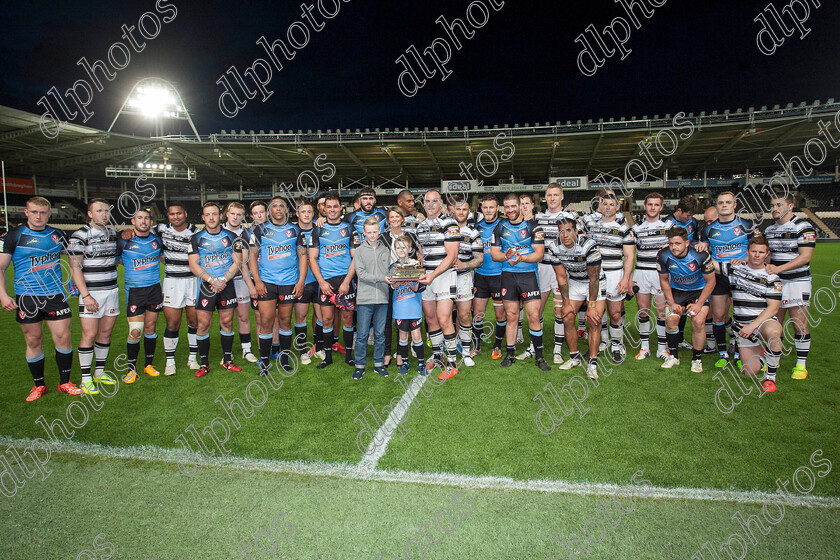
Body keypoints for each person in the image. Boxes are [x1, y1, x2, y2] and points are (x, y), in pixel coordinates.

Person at [0, 196, 81, 400]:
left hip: (55, 295)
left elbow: (73, 260)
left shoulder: (58, 234)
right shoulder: (14, 236)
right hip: (27, 297)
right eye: (34, 212)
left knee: (63, 338)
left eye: (43, 212)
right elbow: (0, 268)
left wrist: (73, 281)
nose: (38, 216)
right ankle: (39, 385)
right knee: (33, 339)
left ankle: (65, 382)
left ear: (49, 214)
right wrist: (3, 295)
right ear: (26, 212)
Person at [122, 202, 200, 375]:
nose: (176, 217)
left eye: (179, 213)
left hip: (192, 281)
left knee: (194, 322)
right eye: (172, 214)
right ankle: (170, 362)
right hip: (172, 281)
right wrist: (126, 231)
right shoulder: (160, 230)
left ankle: (193, 358)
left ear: (185, 213)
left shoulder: (195, 232)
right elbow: (139, 230)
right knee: (172, 323)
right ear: (168, 216)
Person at [519, 183, 579, 363]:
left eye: (555, 195)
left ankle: (558, 350)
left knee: (560, 310)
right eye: (549, 195)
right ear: (546, 197)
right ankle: (533, 347)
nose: (552, 198)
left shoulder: (571, 217)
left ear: (562, 197)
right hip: (542, 267)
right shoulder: (538, 217)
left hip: (562, 268)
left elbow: (578, 240)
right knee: (535, 310)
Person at [490, 193, 550, 371]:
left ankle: (539, 357)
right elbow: (495, 254)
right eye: (506, 207)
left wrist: (520, 258)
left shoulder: (533, 227)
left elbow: (539, 254)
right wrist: (507, 257)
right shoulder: (499, 228)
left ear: (520, 206)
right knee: (512, 316)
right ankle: (510, 354)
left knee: (533, 316)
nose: (510, 210)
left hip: (528, 276)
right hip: (508, 276)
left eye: (513, 206)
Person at [249, 197, 307, 376]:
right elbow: (252, 256)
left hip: (289, 282)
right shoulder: (259, 230)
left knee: (285, 320)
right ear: (269, 211)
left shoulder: (295, 230)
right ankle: (265, 362)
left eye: (282, 205)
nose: (278, 208)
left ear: (287, 210)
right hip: (267, 282)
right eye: (274, 206)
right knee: (266, 321)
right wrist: (257, 281)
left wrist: (301, 281)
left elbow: (303, 257)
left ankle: (284, 358)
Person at [717, 236, 783, 392]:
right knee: (749, 372)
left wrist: (752, 326)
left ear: (767, 254)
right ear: (747, 252)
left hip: (762, 322)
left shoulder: (773, 277)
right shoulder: (735, 269)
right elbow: (709, 264)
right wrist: (699, 249)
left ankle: (770, 378)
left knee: (774, 334)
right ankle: (766, 356)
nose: (757, 255)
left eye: (761, 252)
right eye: (753, 251)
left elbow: (773, 308)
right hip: (743, 326)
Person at [68, 199, 120, 395]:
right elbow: (75, 267)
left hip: (112, 290)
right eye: (99, 211)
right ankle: (86, 378)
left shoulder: (112, 233)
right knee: (89, 335)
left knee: (105, 334)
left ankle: (99, 372)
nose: (104, 214)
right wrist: (86, 295)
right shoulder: (80, 236)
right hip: (92, 294)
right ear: (90, 214)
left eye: (106, 210)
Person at [188, 202, 246, 377]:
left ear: (221, 216)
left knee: (227, 323)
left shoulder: (231, 236)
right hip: (207, 285)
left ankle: (227, 360)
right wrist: (212, 279)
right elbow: (193, 264)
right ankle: (204, 364)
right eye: (207, 215)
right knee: (203, 324)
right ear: (203, 217)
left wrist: (223, 279)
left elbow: (237, 262)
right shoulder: (196, 238)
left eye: (214, 214)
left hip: (226, 283)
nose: (211, 218)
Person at [697, 191, 754, 368]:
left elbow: (757, 250)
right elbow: (704, 251)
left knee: (740, 315)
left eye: (728, 202)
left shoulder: (747, 224)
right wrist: (702, 249)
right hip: (719, 276)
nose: (724, 205)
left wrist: (744, 260)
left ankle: (737, 352)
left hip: (742, 275)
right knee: (718, 315)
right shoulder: (708, 229)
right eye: (721, 202)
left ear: (734, 205)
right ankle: (723, 354)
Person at [763, 191, 816, 380]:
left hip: (797, 281)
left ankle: (801, 365)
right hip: (776, 283)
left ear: (790, 206)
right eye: (772, 206)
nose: (774, 209)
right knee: (774, 323)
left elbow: (805, 257)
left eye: (778, 205)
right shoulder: (769, 230)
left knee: (799, 323)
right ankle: (773, 360)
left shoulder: (804, 227)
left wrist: (779, 268)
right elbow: (767, 256)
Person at [580, 193, 635, 363]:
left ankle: (617, 344)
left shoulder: (625, 229)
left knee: (615, 312)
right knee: (596, 312)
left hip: (614, 274)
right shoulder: (590, 225)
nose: (608, 207)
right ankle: (603, 340)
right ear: (599, 205)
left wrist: (626, 278)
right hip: (595, 275)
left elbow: (629, 256)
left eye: (612, 205)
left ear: (617, 208)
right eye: (605, 204)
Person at [550, 218, 606, 380]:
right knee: (566, 316)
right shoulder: (554, 247)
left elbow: (594, 278)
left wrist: (592, 306)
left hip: (594, 283)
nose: (565, 235)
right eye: (561, 231)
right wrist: (566, 302)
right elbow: (561, 277)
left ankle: (593, 363)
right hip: (575, 280)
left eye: (568, 230)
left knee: (594, 320)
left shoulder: (590, 246)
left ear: (576, 231)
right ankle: (574, 357)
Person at [656, 227, 716, 371]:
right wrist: (671, 302)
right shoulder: (663, 255)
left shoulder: (700, 255)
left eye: (677, 243)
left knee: (698, 321)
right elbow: (664, 280)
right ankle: (674, 356)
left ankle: (697, 359)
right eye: (671, 244)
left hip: (698, 292)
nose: (673, 247)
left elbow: (711, 282)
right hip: (678, 292)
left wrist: (699, 304)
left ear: (687, 243)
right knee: (670, 320)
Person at [416, 189, 461, 379]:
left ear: (441, 203)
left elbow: (452, 256)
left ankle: (452, 363)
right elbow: (421, 253)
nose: (431, 204)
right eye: (427, 201)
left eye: (435, 201)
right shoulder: (421, 226)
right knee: (431, 319)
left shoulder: (450, 223)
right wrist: (417, 269)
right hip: (427, 277)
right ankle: (437, 356)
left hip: (443, 276)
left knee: (444, 319)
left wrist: (433, 275)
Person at [309, 193, 356, 369]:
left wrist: (346, 282)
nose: (333, 210)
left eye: (336, 206)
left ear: (341, 208)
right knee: (327, 319)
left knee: (348, 319)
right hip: (326, 282)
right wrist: (321, 282)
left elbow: (355, 257)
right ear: (324, 209)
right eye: (329, 207)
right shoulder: (318, 229)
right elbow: (312, 258)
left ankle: (349, 356)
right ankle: (327, 356)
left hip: (345, 280)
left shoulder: (350, 229)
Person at [116, 209, 164, 383]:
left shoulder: (157, 240)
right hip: (135, 291)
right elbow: (113, 262)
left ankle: (148, 365)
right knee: (135, 331)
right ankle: (131, 369)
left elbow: (164, 258)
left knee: (150, 329)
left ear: (151, 222)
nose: (143, 221)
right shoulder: (123, 241)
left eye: (146, 218)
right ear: (133, 220)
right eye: (140, 218)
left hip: (154, 289)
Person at [631, 193, 671, 361]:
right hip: (641, 271)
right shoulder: (636, 228)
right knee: (643, 310)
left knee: (662, 311)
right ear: (645, 206)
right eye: (650, 205)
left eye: (656, 205)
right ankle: (644, 347)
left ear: (661, 207)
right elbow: (630, 252)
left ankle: (662, 349)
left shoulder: (669, 225)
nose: (653, 208)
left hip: (660, 273)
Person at [351, 217, 391, 380]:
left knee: (380, 334)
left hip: (382, 297)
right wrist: (383, 278)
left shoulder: (386, 250)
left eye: (375, 232)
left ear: (379, 231)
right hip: (365, 299)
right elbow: (361, 274)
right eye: (369, 232)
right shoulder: (359, 251)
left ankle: (379, 364)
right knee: (362, 334)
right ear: (364, 233)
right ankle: (359, 366)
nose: (372, 235)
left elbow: (390, 271)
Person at [223, 202, 258, 363]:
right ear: (227, 214)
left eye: (239, 215)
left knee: (243, 316)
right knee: (226, 318)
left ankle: (246, 350)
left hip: (241, 279)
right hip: (223, 281)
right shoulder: (218, 232)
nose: (235, 217)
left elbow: (247, 260)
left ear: (243, 217)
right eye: (233, 214)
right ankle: (227, 352)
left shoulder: (247, 234)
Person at [472, 195, 506, 359]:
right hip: (481, 276)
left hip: (499, 276)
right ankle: (476, 346)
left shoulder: (504, 226)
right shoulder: (477, 227)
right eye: (485, 207)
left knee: (500, 314)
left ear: (497, 208)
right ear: (481, 208)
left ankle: (497, 346)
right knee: (478, 313)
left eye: (491, 207)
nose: (488, 210)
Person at [665, 194, 701, 351]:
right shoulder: (667, 222)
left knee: (686, 306)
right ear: (680, 210)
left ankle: (679, 339)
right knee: (672, 305)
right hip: (672, 268)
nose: (690, 217)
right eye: (687, 214)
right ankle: (668, 339)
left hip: (690, 267)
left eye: (691, 215)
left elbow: (694, 242)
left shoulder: (693, 222)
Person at [387, 235, 426, 376]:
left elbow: (418, 288)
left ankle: (421, 363)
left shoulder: (416, 265)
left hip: (414, 308)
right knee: (403, 337)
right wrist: (395, 283)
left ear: (410, 249)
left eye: (404, 247)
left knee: (416, 336)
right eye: (398, 247)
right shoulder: (393, 267)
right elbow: (391, 288)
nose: (401, 250)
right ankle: (404, 362)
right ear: (395, 250)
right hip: (400, 308)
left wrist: (410, 280)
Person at [381, 207, 416, 366]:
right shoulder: (383, 238)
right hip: (388, 283)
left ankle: (401, 354)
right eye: (391, 217)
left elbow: (416, 259)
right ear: (388, 221)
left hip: (406, 285)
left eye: (397, 216)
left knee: (402, 320)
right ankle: (387, 352)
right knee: (387, 319)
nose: (394, 219)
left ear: (402, 219)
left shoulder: (410, 237)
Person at [451, 200, 483, 367]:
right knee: (443, 316)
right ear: (452, 210)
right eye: (458, 209)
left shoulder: (473, 232)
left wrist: (464, 264)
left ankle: (465, 351)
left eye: (464, 210)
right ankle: (445, 349)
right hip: (444, 277)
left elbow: (479, 259)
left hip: (463, 277)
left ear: (469, 212)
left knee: (463, 315)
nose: (461, 212)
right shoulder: (445, 228)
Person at [294, 199, 324, 366]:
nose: (306, 214)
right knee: (301, 316)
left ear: (313, 214)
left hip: (318, 280)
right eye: (302, 212)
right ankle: (302, 351)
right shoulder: (292, 231)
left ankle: (319, 347)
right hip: (302, 281)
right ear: (297, 214)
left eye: (309, 212)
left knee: (321, 316)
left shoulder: (319, 229)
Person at [249, 200, 280, 359]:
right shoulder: (247, 234)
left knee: (276, 316)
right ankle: (263, 354)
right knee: (260, 318)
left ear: (267, 213)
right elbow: (245, 261)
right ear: (252, 216)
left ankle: (276, 349)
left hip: (275, 280)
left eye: (261, 212)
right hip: (258, 281)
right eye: (255, 213)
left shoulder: (275, 230)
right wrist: (252, 284)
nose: (259, 215)